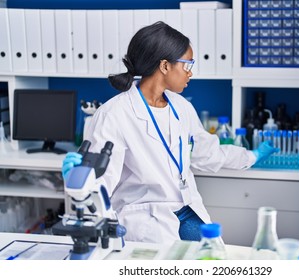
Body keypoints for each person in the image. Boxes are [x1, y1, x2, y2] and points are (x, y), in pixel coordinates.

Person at [62, 21, 278, 244]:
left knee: (214, 259)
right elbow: (101, 182)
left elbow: (206, 153)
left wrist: (251, 156)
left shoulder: (180, 106)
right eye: (187, 64)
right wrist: (81, 183)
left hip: (187, 208)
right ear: (165, 66)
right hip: (145, 218)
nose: (190, 72)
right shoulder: (114, 114)